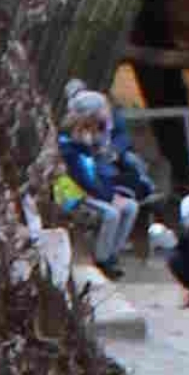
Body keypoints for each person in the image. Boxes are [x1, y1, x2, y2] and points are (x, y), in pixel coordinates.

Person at [49, 86, 157, 274]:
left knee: (131, 206)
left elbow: (96, 174)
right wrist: (109, 198)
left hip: (90, 191)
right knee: (111, 214)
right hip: (73, 195)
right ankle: (101, 260)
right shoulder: (70, 146)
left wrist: (112, 194)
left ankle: (111, 255)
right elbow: (82, 179)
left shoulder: (90, 141)